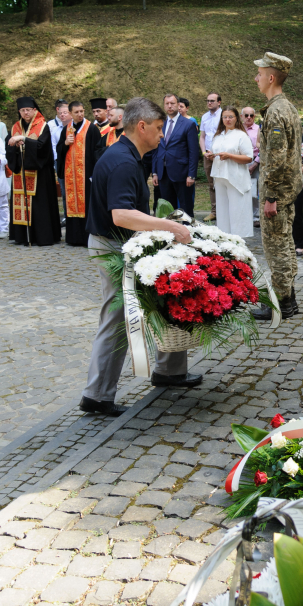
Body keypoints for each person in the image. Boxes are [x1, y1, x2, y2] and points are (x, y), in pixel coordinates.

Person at [82, 97, 200, 416]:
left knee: (166, 295)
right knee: (120, 317)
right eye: (159, 128)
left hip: (126, 242)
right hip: (113, 246)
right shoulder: (121, 161)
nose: (163, 135)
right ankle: (96, 395)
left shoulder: (129, 155)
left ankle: (169, 371)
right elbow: (121, 215)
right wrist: (169, 227)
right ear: (142, 126)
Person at [249, 52, 302, 320]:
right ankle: (289, 299)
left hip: (277, 195)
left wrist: (269, 196)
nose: (256, 78)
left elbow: (277, 158)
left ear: (271, 78)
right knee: (286, 245)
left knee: (276, 249)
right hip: (287, 193)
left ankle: (281, 303)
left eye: (260, 74)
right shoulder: (288, 108)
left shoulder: (276, 112)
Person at [6, 97, 62, 246]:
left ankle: (41, 236)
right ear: (19, 112)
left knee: (39, 205)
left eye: (28, 110)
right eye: (23, 110)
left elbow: (43, 148)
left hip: (39, 174)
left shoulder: (43, 126)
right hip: (20, 172)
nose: (26, 113)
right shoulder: (15, 127)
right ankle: (22, 236)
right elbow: (9, 147)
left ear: (34, 110)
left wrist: (23, 139)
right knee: (21, 203)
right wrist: (15, 146)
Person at [55, 100, 103, 247]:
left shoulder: (91, 129)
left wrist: (94, 174)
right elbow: (59, 151)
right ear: (70, 113)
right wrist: (65, 144)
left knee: (87, 205)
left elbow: (98, 152)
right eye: (76, 112)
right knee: (71, 204)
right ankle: (74, 237)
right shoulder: (66, 129)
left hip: (86, 176)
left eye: (82, 111)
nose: (80, 114)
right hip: (71, 177)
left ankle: (88, 237)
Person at [206, 106, 255, 237]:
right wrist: (211, 155)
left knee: (237, 213)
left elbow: (249, 157)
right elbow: (215, 152)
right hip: (220, 176)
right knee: (222, 214)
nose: (227, 120)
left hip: (236, 178)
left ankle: (239, 241)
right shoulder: (218, 136)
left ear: (236, 118)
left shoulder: (241, 135)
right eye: (225, 117)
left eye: (230, 117)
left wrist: (230, 156)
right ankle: (225, 241)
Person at [151, 93, 200, 217]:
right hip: (163, 173)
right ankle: (171, 234)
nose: (169, 106)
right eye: (167, 104)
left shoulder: (188, 124)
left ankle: (188, 233)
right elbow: (156, 148)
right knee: (167, 209)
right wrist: (155, 172)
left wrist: (191, 175)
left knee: (186, 209)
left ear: (178, 105)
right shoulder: (160, 123)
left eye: (172, 103)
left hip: (182, 173)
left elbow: (193, 151)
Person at [199, 93, 223, 220]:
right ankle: (214, 212)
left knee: (223, 183)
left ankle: (225, 212)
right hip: (207, 155)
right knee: (211, 184)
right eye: (207, 100)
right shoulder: (204, 117)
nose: (209, 103)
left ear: (219, 102)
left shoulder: (224, 115)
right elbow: (202, 137)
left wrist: (216, 153)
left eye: (212, 101)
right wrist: (204, 153)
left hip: (221, 155)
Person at [49, 101, 71, 224]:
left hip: (73, 162)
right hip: (60, 163)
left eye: (65, 113)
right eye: (61, 113)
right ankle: (66, 215)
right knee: (64, 190)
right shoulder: (56, 130)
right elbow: (53, 147)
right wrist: (57, 161)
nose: (63, 115)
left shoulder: (75, 128)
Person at [242, 106, 261, 225]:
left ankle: (256, 217)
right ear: (241, 117)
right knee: (241, 190)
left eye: (251, 115)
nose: (249, 118)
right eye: (246, 115)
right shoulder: (237, 130)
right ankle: (243, 215)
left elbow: (262, 148)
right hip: (240, 163)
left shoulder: (259, 129)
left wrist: (255, 164)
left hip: (255, 162)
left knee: (254, 190)